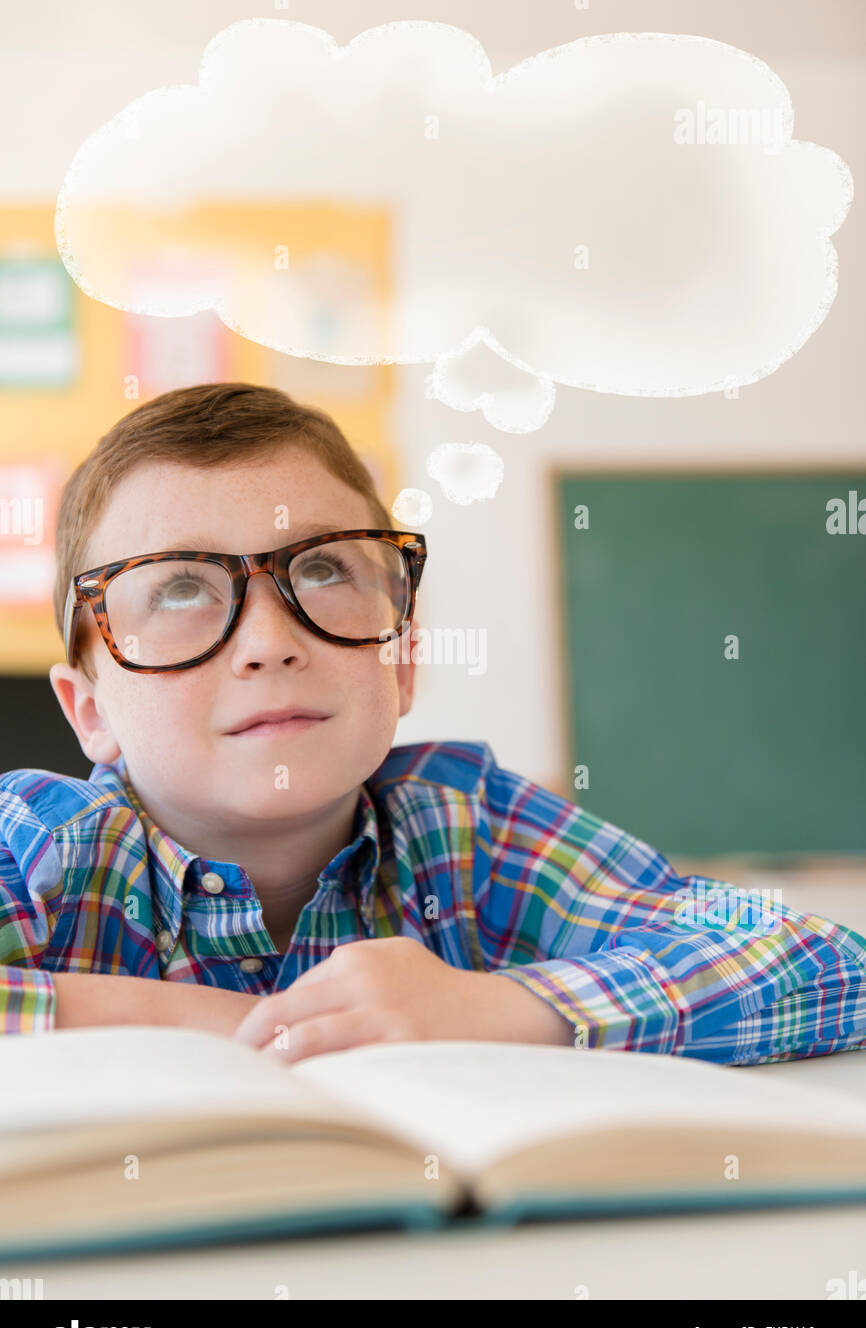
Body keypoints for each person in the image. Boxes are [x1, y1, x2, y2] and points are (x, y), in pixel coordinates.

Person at [1, 382, 863, 1067]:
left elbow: (827, 967)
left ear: (403, 661)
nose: (269, 641)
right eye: (181, 586)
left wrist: (498, 1007)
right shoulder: (41, 844)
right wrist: (215, 1023)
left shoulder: (467, 830)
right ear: (90, 711)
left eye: (324, 567)